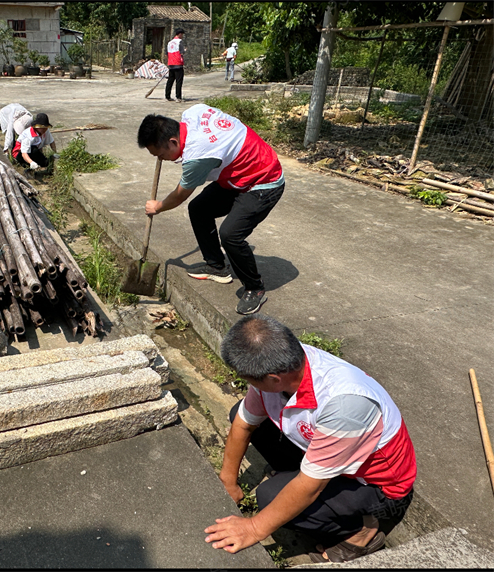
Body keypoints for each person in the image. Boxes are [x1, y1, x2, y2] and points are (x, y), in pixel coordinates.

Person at [204, 315, 416, 563]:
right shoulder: (285, 361)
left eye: (248, 379)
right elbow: (243, 422)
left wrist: (253, 529)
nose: (246, 383)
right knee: (241, 414)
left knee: (270, 497)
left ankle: (362, 530)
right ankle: (297, 477)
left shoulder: (345, 403)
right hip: (333, 453)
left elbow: (310, 486)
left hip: (377, 484)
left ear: (273, 379)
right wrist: (228, 482)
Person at [137, 104, 284, 315]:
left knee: (231, 234)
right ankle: (217, 266)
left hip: (264, 180)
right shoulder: (193, 112)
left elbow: (180, 195)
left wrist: (157, 206)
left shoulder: (198, 156)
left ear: (172, 141)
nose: (160, 160)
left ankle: (255, 287)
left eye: (160, 154)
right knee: (199, 208)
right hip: (237, 176)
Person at [165, 29, 185, 102]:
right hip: (178, 63)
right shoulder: (179, 42)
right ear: (179, 34)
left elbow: (166, 53)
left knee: (170, 80)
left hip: (171, 63)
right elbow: (182, 52)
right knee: (179, 81)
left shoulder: (169, 42)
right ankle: (178, 97)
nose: (182, 36)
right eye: (182, 34)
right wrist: (184, 51)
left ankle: (167, 96)